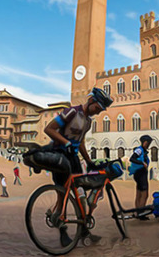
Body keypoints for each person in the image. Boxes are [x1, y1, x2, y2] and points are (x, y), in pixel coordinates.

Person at [44, 87, 113, 247]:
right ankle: (63, 230)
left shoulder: (88, 122)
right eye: (97, 108)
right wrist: (66, 143)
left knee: (80, 195)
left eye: (100, 111)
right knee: (62, 196)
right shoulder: (71, 112)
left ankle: (83, 231)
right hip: (60, 155)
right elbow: (49, 129)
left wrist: (89, 161)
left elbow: (81, 141)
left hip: (74, 159)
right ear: (90, 101)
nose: (97, 113)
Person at [129, 134, 153, 220]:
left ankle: (138, 211)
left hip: (139, 174)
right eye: (149, 143)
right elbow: (132, 158)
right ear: (145, 142)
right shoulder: (139, 149)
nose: (149, 144)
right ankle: (141, 213)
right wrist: (142, 163)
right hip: (140, 174)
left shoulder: (142, 150)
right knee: (145, 194)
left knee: (139, 193)